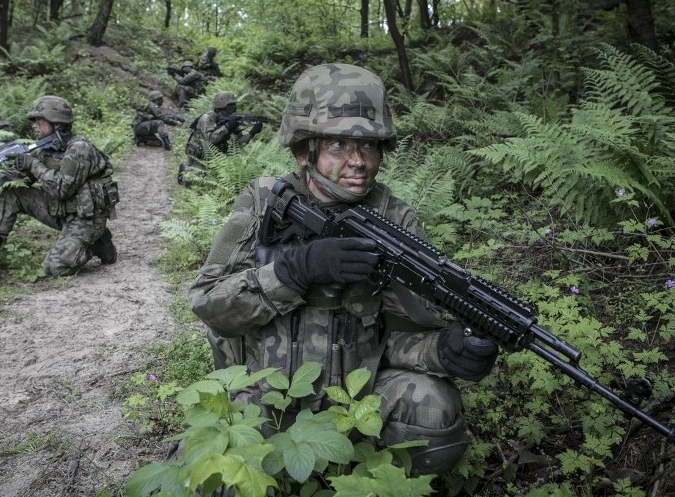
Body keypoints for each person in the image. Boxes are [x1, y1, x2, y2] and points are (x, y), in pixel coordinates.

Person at [187, 64, 499, 476]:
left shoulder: (395, 221)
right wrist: (293, 271)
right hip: (264, 400)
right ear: (304, 150)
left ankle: (371, 478)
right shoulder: (266, 202)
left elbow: (399, 337)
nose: (358, 162)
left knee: (435, 410)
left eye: (369, 146)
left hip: (356, 403)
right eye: (338, 145)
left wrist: (443, 352)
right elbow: (208, 303)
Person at [0, 95, 119, 277]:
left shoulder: (79, 149)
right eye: (33, 121)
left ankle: (99, 242)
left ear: (57, 123)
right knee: (13, 193)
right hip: (60, 212)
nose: (34, 125)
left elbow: (62, 189)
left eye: (39, 121)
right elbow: (19, 178)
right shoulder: (45, 148)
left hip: (87, 218)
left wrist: (32, 164)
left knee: (56, 267)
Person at [178, 91, 263, 184]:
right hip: (200, 153)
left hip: (215, 153)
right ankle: (185, 168)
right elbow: (210, 140)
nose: (234, 110)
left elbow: (237, 143)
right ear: (221, 108)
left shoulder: (230, 120)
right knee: (197, 182)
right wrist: (227, 126)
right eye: (230, 107)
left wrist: (252, 133)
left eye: (234, 106)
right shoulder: (207, 118)